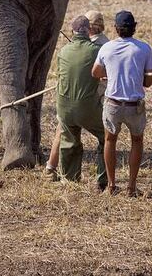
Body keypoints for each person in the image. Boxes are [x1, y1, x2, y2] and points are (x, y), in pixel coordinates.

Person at [92, 10, 152, 197]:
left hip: (112, 103)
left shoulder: (107, 48)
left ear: (115, 29)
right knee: (137, 141)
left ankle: (111, 184)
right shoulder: (144, 48)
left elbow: (95, 72)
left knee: (110, 140)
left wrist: (108, 74)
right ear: (134, 28)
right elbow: (148, 82)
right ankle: (131, 187)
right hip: (134, 105)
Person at [43, 10, 109, 181]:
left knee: (67, 135)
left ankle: (67, 177)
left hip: (64, 104)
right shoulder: (100, 48)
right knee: (107, 136)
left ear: (73, 31)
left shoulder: (63, 51)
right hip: (89, 104)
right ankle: (103, 180)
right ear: (88, 30)